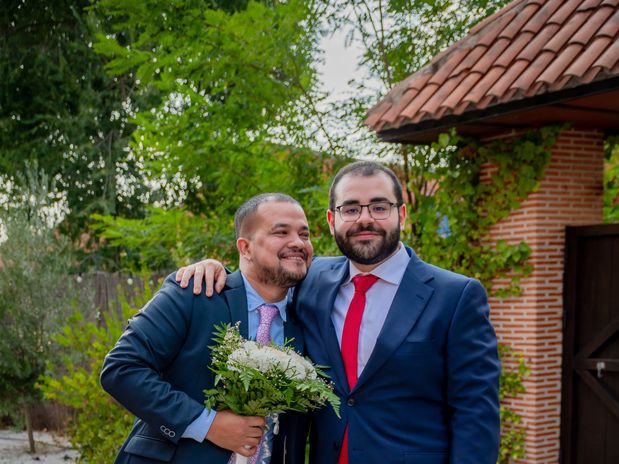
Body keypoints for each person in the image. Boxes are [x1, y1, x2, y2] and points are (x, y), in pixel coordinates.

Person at [178, 161, 501, 464]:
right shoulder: (311, 278)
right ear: (332, 220)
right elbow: (261, 277)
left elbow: (475, 413)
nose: (364, 219)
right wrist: (214, 269)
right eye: (350, 209)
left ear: (402, 215)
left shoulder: (456, 295)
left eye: (379, 207)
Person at [101, 193, 312, 463]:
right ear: (245, 247)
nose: (297, 242)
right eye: (281, 232)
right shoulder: (196, 292)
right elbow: (121, 368)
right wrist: (207, 424)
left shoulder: (307, 315)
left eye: (304, 235)